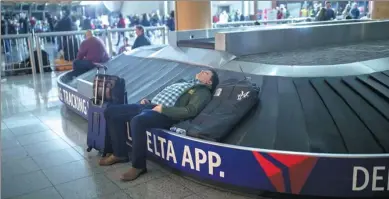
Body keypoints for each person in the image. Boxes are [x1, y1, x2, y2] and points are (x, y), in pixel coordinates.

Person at [100, 69, 219, 181]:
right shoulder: (184, 82)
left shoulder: (203, 91)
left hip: (166, 114)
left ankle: (138, 166)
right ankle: (119, 153)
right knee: (111, 112)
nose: (202, 71)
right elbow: (167, 95)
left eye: (207, 72)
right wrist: (150, 101)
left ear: (209, 81)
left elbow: (190, 110)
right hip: (151, 106)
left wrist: (163, 109)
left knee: (138, 121)